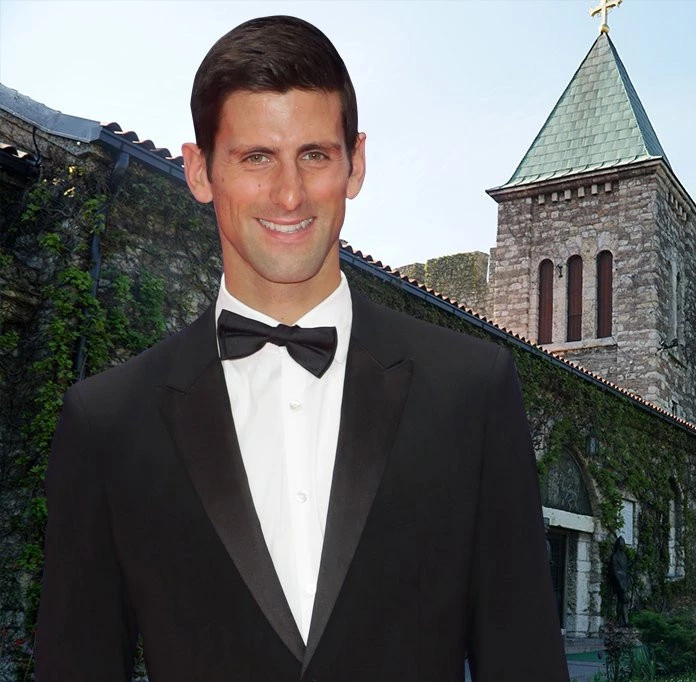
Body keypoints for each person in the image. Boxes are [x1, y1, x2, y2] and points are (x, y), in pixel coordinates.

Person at [35, 15, 568, 682]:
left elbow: (524, 660)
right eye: (256, 157)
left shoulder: (471, 390)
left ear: (355, 163)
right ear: (199, 171)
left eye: (314, 155)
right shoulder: (106, 421)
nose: (289, 195)